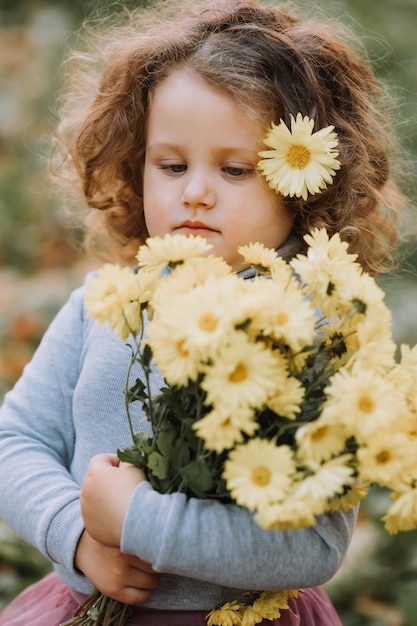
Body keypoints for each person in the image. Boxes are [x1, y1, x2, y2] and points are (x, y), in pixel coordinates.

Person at [0, 0, 410, 624]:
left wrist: (139, 522)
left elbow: (313, 543)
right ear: (135, 166)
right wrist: (78, 539)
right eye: (171, 165)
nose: (194, 190)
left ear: (306, 180)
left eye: (235, 169)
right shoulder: (102, 307)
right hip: (88, 600)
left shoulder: (312, 331)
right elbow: (15, 441)